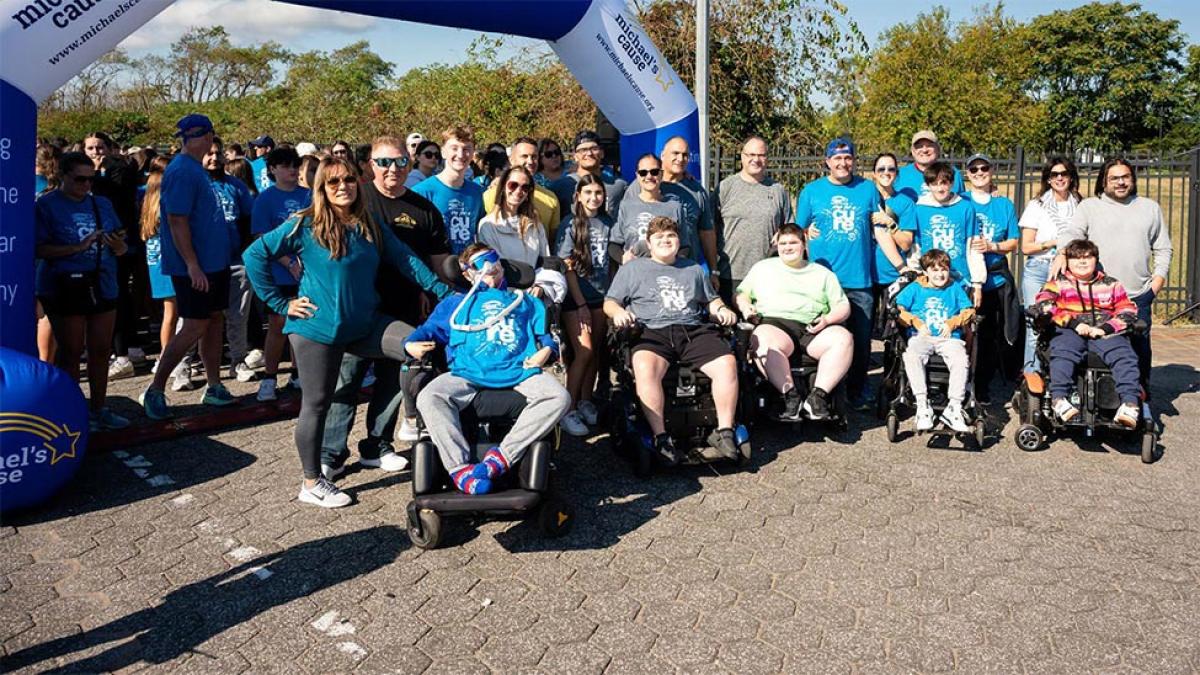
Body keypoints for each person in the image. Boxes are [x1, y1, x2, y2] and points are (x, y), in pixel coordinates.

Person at [244, 156, 452, 508]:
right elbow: (255, 255)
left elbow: (406, 260)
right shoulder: (304, 225)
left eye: (349, 180)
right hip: (316, 331)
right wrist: (281, 304)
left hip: (364, 324)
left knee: (419, 345)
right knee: (317, 404)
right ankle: (312, 481)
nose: (343, 187)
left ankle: (410, 425)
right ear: (322, 188)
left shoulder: (368, 222)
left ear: (358, 183)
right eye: (334, 182)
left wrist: (446, 294)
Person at [321, 135, 454, 477]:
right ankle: (332, 453)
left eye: (398, 162)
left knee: (394, 379)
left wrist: (448, 293)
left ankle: (376, 445)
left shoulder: (424, 208)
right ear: (370, 166)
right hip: (357, 311)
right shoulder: (354, 199)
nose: (391, 169)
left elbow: (435, 261)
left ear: (408, 165)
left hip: (405, 307)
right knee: (345, 381)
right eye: (383, 162)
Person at [407, 245, 570, 495]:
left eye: (493, 260)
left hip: (519, 369)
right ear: (467, 274)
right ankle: (459, 469)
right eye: (479, 263)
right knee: (429, 397)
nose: (488, 266)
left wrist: (546, 350)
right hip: (467, 372)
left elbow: (548, 336)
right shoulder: (455, 304)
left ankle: (501, 458)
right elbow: (424, 332)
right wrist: (409, 344)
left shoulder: (525, 301)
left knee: (560, 397)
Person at [604, 216, 742, 465]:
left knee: (727, 363)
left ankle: (724, 431)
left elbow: (710, 300)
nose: (666, 241)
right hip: (651, 330)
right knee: (644, 367)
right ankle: (661, 437)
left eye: (671, 236)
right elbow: (610, 303)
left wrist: (722, 309)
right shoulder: (632, 269)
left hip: (691, 329)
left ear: (678, 241)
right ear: (649, 242)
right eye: (659, 237)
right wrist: (619, 313)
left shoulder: (692, 269)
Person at [139, 114, 237, 420]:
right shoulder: (183, 170)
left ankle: (214, 385)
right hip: (195, 267)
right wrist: (193, 264)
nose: (198, 140)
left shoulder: (194, 169)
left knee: (214, 322)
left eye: (199, 134)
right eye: (193, 135)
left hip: (214, 263)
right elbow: (176, 220)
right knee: (194, 325)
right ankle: (155, 388)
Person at [1055, 158, 1172, 393]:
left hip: (1138, 294)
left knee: (1138, 350)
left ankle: (1139, 399)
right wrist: (1061, 252)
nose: (1121, 182)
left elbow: (1163, 248)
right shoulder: (1090, 207)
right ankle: (1100, 397)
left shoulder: (1149, 208)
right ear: (1104, 181)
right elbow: (1072, 233)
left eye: (1125, 177)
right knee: (1100, 349)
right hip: (1099, 296)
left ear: (1132, 179)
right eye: (1114, 178)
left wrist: (1156, 284)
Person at [35, 151, 131, 431]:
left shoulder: (101, 203)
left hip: (102, 283)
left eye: (91, 179)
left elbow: (122, 246)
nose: (86, 186)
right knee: (71, 351)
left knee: (101, 350)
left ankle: (99, 408)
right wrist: (77, 247)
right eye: (79, 180)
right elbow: (38, 248)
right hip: (64, 284)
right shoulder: (47, 205)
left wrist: (116, 245)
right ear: (63, 176)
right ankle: (71, 412)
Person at [794, 138, 886, 409]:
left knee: (860, 341)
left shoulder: (868, 189)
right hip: (823, 280)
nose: (843, 163)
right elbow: (797, 229)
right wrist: (806, 232)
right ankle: (826, 391)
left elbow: (879, 228)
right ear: (827, 161)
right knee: (824, 338)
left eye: (848, 158)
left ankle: (858, 391)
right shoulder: (811, 191)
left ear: (854, 160)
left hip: (859, 279)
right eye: (837, 158)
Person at [736, 224, 853, 420]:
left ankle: (818, 397)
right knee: (762, 339)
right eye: (783, 243)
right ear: (777, 245)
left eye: (793, 243)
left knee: (843, 338)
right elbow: (741, 294)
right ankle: (790, 397)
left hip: (813, 327)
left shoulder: (822, 273)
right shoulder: (763, 267)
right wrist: (746, 307)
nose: (788, 247)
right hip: (775, 325)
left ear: (804, 245)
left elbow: (843, 307)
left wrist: (827, 320)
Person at [1035, 239, 1141, 427]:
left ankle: (1129, 404)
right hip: (1069, 329)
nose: (1082, 262)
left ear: (1096, 260)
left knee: (1124, 355)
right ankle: (1059, 399)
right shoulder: (1057, 283)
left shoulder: (1112, 284)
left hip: (1103, 329)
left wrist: (1105, 328)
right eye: (1076, 258)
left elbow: (1127, 310)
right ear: (1067, 261)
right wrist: (1074, 324)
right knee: (1063, 352)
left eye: (1087, 257)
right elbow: (1044, 304)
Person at [251, 147, 312, 401]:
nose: (292, 170)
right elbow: (260, 238)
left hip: (307, 274)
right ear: (273, 169)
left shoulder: (309, 196)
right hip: (279, 275)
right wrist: (288, 262)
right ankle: (269, 376)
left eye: (295, 165)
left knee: (304, 324)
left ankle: (299, 374)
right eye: (286, 166)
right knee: (278, 324)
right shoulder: (264, 200)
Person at [554, 175, 613, 437]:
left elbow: (614, 260)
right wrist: (579, 304)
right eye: (588, 192)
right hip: (576, 300)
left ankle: (585, 400)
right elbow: (565, 267)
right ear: (578, 195)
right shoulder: (570, 225)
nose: (593, 198)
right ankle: (567, 408)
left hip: (602, 297)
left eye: (598, 192)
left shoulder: (608, 223)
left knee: (597, 351)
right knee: (584, 351)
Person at [85, 132, 146, 380]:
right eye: (89, 148)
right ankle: (129, 347)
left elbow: (114, 196)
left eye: (99, 147)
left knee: (117, 295)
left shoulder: (119, 169)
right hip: (93, 243)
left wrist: (99, 171)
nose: (95, 152)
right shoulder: (83, 171)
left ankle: (123, 353)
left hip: (118, 239)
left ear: (110, 149)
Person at [894, 249, 975, 432]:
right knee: (911, 355)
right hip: (921, 336)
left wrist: (953, 322)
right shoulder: (915, 288)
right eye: (935, 270)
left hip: (949, 338)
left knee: (961, 359)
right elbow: (898, 308)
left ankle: (954, 407)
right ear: (926, 271)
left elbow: (968, 310)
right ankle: (922, 405)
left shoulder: (954, 288)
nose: (940, 274)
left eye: (944, 269)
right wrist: (915, 321)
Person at [963, 153, 1019, 404]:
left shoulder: (1003, 205)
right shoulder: (960, 201)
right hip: (964, 279)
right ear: (967, 174)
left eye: (984, 168)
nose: (979, 173)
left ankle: (982, 384)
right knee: (963, 332)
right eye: (973, 169)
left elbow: (1014, 241)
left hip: (994, 278)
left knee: (988, 333)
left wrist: (992, 246)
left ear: (992, 171)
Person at [713, 136, 793, 307]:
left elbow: (790, 228)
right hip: (730, 274)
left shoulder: (778, 190)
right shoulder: (725, 188)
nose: (756, 159)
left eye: (761, 155)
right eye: (751, 154)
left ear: (767, 158)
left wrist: (782, 233)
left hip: (767, 276)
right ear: (742, 156)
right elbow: (708, 229)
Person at [1018, 157, 1080, 374]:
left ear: (1071, 176)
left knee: (1067, 321)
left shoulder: (1081, 205)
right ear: (1048, 179)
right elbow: (1026, 246)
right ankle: (1031, 372)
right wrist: (1055, 242)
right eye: (1054, 175)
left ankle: (1061, 371)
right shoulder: (1037, 206)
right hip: (1039, 268)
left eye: (1064, 173)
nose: (1060, 178)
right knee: (1034, 322)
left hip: (1070, 271)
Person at [204, 137, 258, 383]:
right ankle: (184, 366)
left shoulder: (236, 186)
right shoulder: (194, 184)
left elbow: (249, 220)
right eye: (209, 153)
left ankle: (238, 360)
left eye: (218, 153)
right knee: (197, 321)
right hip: (204, 265)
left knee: (238, 317)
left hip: (236, 262)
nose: (214, 158)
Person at [894, 161, 984, 296]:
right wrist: (916, 274)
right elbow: (916, 247)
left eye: (944, 183)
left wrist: (977, 283)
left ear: (952, 183)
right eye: (934, 184)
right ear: (928, 185)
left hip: (960, 280)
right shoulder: (920, 209)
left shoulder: (965, 207)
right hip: (930, 279)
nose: (940, 188)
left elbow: (973, 246)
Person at [413, 127, 484, 254]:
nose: (461, 155)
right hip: (437, 267)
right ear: (443, 152)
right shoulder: (421, 192)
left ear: (473, 153)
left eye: (467, 149)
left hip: (468, 268)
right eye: (454, 148)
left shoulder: (477, 192)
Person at [660, 135, 719, 286]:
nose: (680, 158)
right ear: (663, 155)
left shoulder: (697, 191)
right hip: (654, 273)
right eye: (675, 153)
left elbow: (707, 232)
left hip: (687, 271)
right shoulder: (649, 185)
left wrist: (713, 271)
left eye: (685, 155)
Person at [140, 156, 178, 374]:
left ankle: (168, 354)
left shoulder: (147, 203)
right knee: (172, 314)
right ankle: (166, 355)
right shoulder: (163, 204)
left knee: (170, 313)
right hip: (168, 264)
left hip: (155, 264)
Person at [482, 137, 561, 241]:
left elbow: (552, 240)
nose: (530, 161)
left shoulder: (551, 199)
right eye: (524, 156)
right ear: (511, 159)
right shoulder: (490, 195)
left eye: (534, 157)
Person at [613, 154, 684, 262]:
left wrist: (675, 261)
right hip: (634, 272)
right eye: (643, 173)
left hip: (665, 272)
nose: (649, 176)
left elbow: (685, 246)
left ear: (661, 174)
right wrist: (622, 258)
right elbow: (614, 243)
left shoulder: (674, 207)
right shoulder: (626, 206)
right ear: (637, 175)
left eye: (654, 172)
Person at [868, 152, 914, 318]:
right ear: (874, 173)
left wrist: (890, 223)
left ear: (896, 173)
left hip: (893, 274)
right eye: (881, 168)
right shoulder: (865, 198)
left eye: (891, 169)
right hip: (865, 273)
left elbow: (906, 243)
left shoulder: (905, 202)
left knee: (893, 332)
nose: (886, 172)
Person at [477, 166, 550, 272]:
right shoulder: (488, 225)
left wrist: (540, 286)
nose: (518, 191)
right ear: (503, 187)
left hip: (536, 285)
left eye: (525, 187)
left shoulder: (535, 225)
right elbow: (494, 267)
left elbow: (546, 263)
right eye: (513, 185)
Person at [550, 130, 627, 217]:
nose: (589, 153)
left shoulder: (619, 186)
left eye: (594, 149)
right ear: (575, 156)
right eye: (583, 150)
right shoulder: (561, 187)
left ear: (602, 153)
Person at [894, 130, 964, 201]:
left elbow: (961, 205)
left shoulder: (953, 173)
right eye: (919, 146)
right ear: (912, 151)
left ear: (938, 149)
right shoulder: (899, 175)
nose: (924, 150)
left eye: (929, 145)